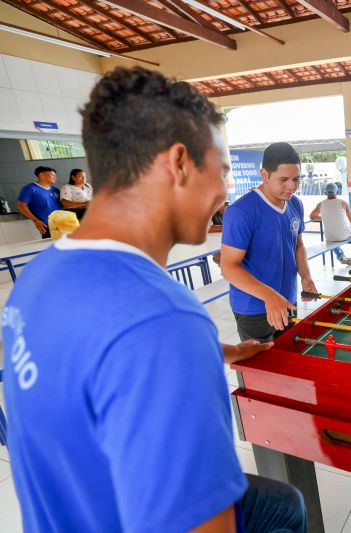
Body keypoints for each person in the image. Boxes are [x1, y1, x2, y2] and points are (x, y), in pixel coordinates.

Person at [2, 67, 306, 532]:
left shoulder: (41, 274)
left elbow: (97, 364)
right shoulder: (163, 322)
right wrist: (190, 346)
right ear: (179, 163)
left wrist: (223, 351)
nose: (225, 192)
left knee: (283, 502)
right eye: (222, 171)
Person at [221, 142, 318, 341]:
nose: (292, 186)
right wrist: (269, 296)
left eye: (296, 179)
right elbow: (228, 267)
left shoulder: (295, 204)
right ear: (264, 175)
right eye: (283, 179)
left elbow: (297, 244)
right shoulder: (241, 211)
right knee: (259, 369)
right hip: (254, 308)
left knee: (287, 361)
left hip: (287, 300)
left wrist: (305, 276)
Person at [309, 182, 351, 266]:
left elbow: (312, 216)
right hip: (344, 235)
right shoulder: (342, 203)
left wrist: (325, 218)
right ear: (337, 192)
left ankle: (341, 257)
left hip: (329, 237)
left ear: (325, 193)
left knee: (331, 240)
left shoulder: (320, 204)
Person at [17, 165, 61, 239]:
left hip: (62, 223)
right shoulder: (30, 188)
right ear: (42, 175)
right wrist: (36, 221)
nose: (55, 177)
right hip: (47, 225)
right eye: (52, 175)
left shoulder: (55, 190)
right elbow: (21, 205)